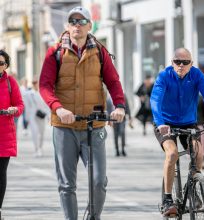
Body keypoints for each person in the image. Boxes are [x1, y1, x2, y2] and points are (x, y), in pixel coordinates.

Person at [39, 6, 125, 220]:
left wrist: (120, 106)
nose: (76, 25)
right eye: (72, 21)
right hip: (64, 127)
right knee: (67, 184)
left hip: (93, 127)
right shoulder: (55, 51)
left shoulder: (100, 51)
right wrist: (58, 108)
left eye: (81, 21)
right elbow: (45, 86)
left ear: (90, 25)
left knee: (99, 181)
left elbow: (113, 82)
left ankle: (93, 217)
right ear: (67, 26)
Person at [150, 48, 204, 217]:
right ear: (172, 62)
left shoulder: (196, 75)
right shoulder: (164, 76)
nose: (181, 65)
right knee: (172, 153)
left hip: (189, 122)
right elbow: (155, 100)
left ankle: (194, 185)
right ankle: (168, 199)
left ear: (191, 64)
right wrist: (160, 123)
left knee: (198, 152)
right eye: (177, 62)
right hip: (165, 123)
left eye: (185, 62)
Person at [0, 50, 24, 220]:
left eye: (1, 63)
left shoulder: (11, 83)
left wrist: (15, 109)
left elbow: (20, 104)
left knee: (0, 175)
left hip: (4, 136)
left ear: (6, 66)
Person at [24, 76, 49, 157]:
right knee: (35, 132)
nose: (35, 84)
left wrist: (48, 115)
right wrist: (26, 118)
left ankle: (40, 147)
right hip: (32, 116)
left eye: (36, 82)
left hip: (42, 115)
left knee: (41, 133)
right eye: (33, 83)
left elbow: (47, 105)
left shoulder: (43, 92)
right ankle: (36, 149)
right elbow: (27, 106)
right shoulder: (28, 93)